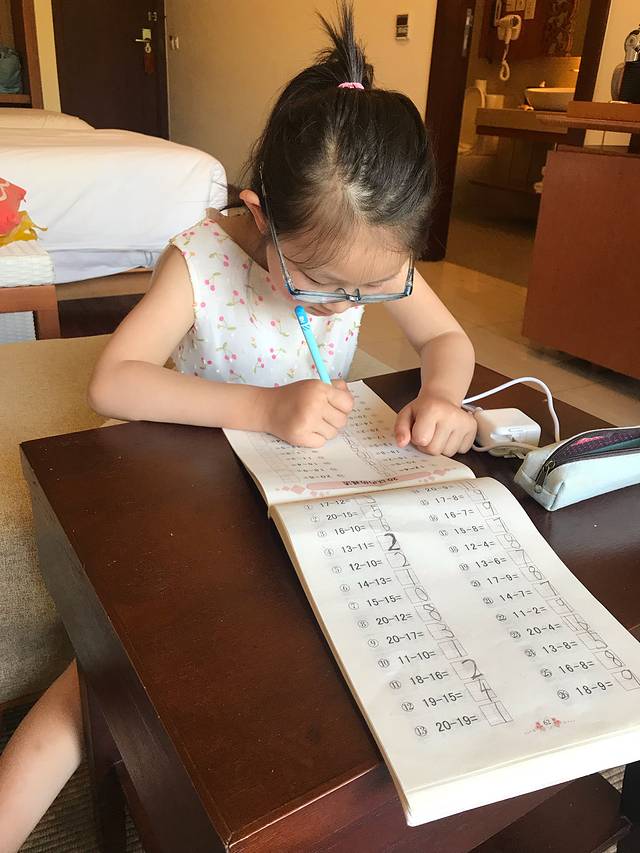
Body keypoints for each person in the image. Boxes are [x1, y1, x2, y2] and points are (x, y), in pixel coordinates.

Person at [0, 4, 476, 849]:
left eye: (371, 291)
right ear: (258, 214)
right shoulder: (203, 258)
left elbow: (447, 339)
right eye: (321, 284)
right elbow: (115, 379)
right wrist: (262, 407)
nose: (344, 306)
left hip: (302, 494)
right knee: (104, 673)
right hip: (192, 492)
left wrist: (443, 393)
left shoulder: (368, 255)